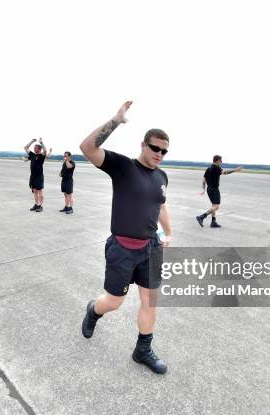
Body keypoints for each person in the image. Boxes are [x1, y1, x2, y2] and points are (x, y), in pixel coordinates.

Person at [79, 101, 172, 375]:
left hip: (151, 248)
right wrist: (115, 121)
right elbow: (87, 148)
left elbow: (161, 204)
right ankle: (93, 311)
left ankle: (142, 350)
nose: (159, 154)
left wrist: (168, 232)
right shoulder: (123, 167)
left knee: (149, 301)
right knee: (114, 302)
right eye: (155, 148)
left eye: (164, 151)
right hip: (122, 248)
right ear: (143, 145)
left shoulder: (162, 176)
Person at [196, 155, 243, 228]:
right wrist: (235, 170)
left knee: (213, 206)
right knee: (216, 206)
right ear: (217, 160)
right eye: (221, 160)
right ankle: (202, 217)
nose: (221, 162)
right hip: (214, 190)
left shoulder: (208, 168)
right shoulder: (216, 168)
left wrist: (203, 189)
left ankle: (213, 222)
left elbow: (204, 180)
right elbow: (225, 172)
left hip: (209, 189)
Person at [23, 138, 51, 212]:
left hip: (39, 177)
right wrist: (32, 141)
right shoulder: (32, 155)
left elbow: (45, 151)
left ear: (39, 149)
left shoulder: (41, 156)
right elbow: (25, 147)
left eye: (36, 148)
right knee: (35, 191)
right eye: (34, 148)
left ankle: (40, 205)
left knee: (40, 192)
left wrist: (41, 143)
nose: (34, 149)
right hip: (33, 177)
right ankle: (36, 204)